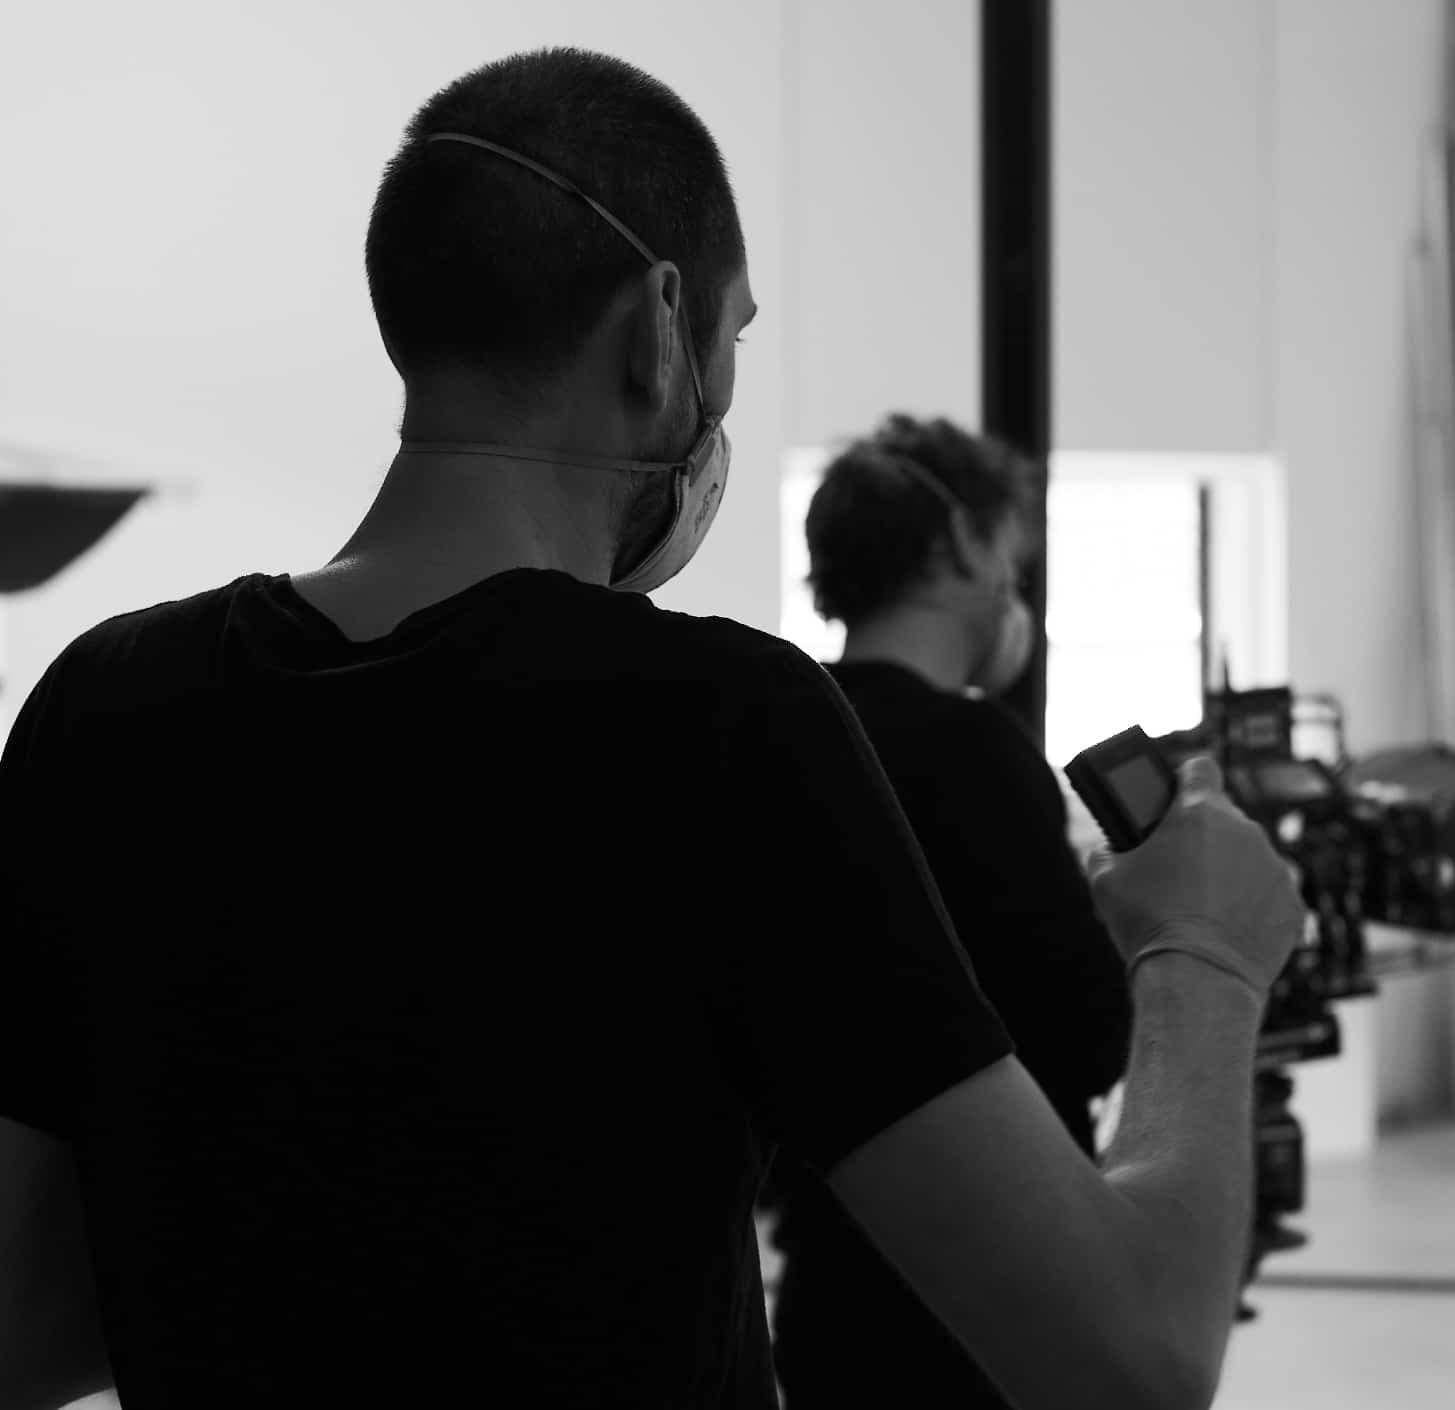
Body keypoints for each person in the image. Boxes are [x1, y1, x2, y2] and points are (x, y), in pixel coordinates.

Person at [0, 46, 1304, 1410]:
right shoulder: (722, 727)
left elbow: (24, 1325)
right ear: (659, 325)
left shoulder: (108, 704)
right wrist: (1201, 949)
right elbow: (1127, 1363)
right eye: (734, 337)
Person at [765, 415, 1135, 1409]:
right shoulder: (976, 751)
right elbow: (1088, 1033)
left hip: (827, 1292)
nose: (1015, 587)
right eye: (1011, 556)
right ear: (962, 545)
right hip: (989, 1296)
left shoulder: (776, 731)